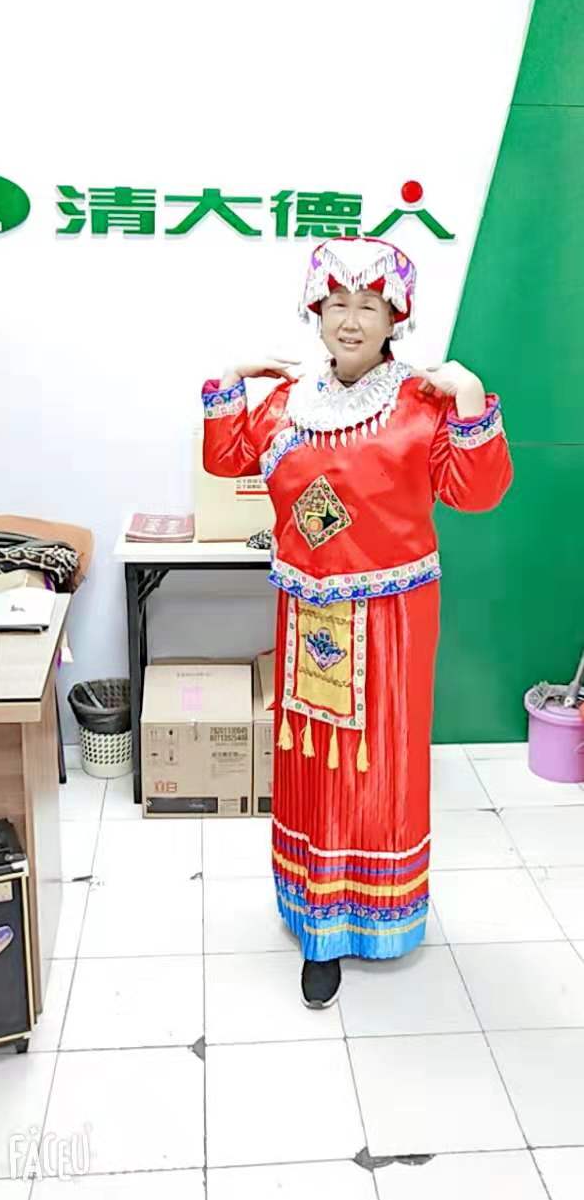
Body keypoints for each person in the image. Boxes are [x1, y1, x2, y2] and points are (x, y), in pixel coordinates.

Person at [201, 236, 513, 1010]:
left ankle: (373, 913)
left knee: (379, 766)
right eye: (336, 303)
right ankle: (318, 920)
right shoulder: (286, 401)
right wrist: (233, 379)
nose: (350, 319)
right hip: (308, 610)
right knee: (312, 762)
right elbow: (227, 459)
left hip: (393, 618)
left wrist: (470, 396)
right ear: (315, 311)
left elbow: (476, 493)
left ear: (395, 317)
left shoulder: (422, 402)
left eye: (369, 305)